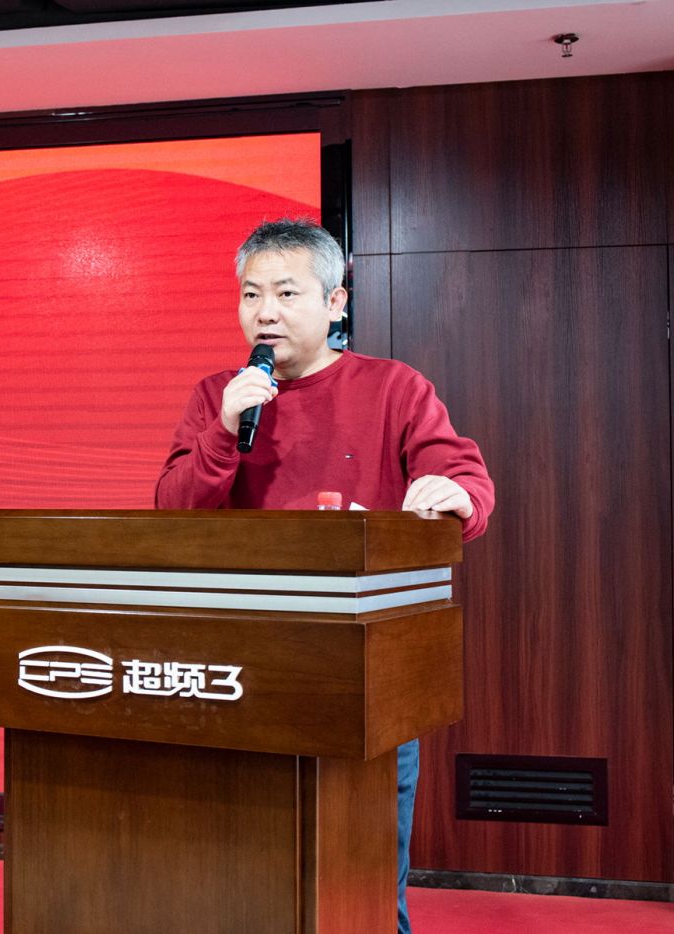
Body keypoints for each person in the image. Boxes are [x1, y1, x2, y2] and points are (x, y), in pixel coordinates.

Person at [155, 218, 494, 934]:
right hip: (244, 665)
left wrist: (457, 496)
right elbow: (172, 511)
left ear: (335, 302)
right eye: (251, 295)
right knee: (241, 871)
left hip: (363, 669)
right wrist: (224, 431)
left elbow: (462, 480)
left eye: (286, 293)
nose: (265, 312)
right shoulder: (219, 395)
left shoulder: (394, 387)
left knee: (360, 879)